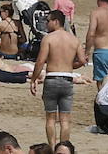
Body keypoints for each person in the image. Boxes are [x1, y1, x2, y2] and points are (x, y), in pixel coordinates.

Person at [30, 9, 86, 149]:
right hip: (67, 79)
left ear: (56, 21)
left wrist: (34, 79)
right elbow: (82, 60)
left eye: (48, 21)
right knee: (65, 119)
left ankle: (53, 147)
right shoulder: (73, 39)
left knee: (50, 118)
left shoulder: (48, 38)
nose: (47, 24)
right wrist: (69, 65)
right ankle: (63, 149)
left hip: (52, 79)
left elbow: (40, 61)